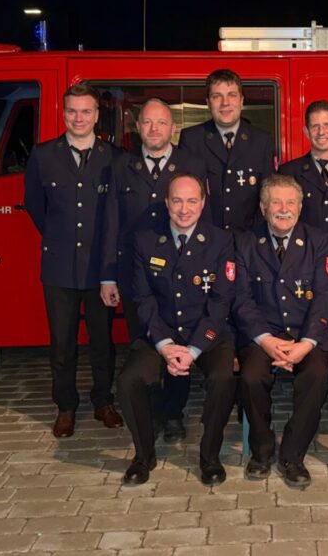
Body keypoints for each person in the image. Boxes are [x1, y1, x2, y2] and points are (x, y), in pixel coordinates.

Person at [117, 173, 238, 486]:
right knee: (129, 380)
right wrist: (165, 345)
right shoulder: (145, 240)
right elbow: (142, 299)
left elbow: (221, 301)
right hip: (162, 332)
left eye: (192, 201)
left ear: (202, 203)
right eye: (177, 200)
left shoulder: (221, 241)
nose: (184, 209)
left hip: (208, 333)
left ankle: (209, 457)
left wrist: (193, 349)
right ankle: (143, 456)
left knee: (223, 378)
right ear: (167, 203)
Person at [100, 98, 207, 442]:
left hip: (181, 273)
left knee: (179, 343)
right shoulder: (121, 166)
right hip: (138, 278)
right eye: (147, 123)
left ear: (172, 128)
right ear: (138, 127)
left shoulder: (191, 163)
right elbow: (110, 223)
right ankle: (150, 407)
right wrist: (108, 274)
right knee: (145, 344)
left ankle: (173, 413)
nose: (154, 129)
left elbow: (204, 214)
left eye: (161, 123)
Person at [24, 83, 122, 438]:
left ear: (97, 115)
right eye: (72, 111)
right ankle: (65, 407)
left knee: (102, 343)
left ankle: (103, 401)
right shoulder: (44, 155)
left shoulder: (115, 157)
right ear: (62, 113)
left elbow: (117, 215)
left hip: (101, 269)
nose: (78, 118)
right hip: (60, 265)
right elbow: (37, 207)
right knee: (62, 345)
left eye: (86, 111)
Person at [232, 174, 328, 489]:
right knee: (251, 377)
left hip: (307, 333)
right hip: (262, 335)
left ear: (301, 207)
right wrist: (266, 340)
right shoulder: (246, 242)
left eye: (291, 202)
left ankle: (293, 454)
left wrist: (305, 343)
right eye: (276, 202)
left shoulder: (318, 240)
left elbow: (325, 295)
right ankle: (262, 450)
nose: (283, 209)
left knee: (317, 375)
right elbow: (241, 299)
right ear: (263, 207)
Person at [178, 69, 275, 230]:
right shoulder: (191, 139)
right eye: (217, 96)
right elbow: (184, 194)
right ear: (208, 102)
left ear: (241, 100)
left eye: (232, 95)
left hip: (249, 242)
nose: (225, 103)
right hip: (206, 240)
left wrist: (254, 240)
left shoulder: (261, 141)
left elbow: (269, 196)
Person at [278, 100, 328, 229]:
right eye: (315, 126)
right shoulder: (289, 172)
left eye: (327, 125)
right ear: (306, 131)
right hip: (307, 248)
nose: (321, 132)